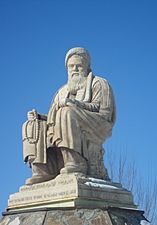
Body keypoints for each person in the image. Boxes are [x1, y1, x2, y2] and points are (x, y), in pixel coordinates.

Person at [23, 47, 116, 185]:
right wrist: (40, 117)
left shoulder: (99, 83)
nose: (75, 69)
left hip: (97, 122)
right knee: (32, 124)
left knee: (66, 111)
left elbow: (104, 111)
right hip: (68, 116)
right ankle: (44, 169)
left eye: (79, 66)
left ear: (87, 67)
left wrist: (74, 104)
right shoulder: (61, 91)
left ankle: (76, 162)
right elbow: (53, 117)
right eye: (71, 66)